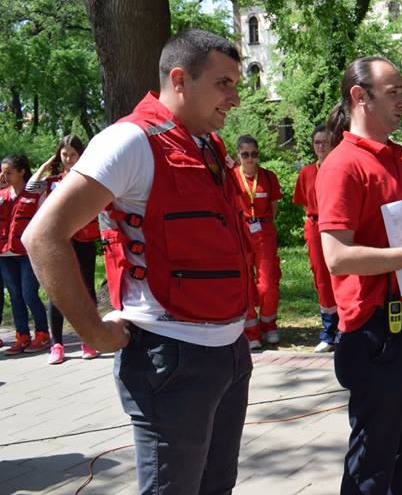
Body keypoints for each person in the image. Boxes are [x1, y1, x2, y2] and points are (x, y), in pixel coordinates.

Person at [24, 29, 253, 493]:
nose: (234, 98)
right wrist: (93, 332)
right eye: (223, 84)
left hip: (229, 352)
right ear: (179, 80)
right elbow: (42, 236)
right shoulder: (130, 141)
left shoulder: (207, 143)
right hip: (171, 358)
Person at [317, 56, 402, 495]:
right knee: (373, 462)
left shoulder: (395, 158)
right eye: (394, 92)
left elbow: (401, 238)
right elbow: (336, 257)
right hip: (377, 331)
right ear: (360, 97)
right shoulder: (343, 165)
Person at [26, 135, 102, 364]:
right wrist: (46, 165)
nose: (68, 159)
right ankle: (56, 344)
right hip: (59, 240)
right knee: (57, 289)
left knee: (87, 288)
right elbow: (30, 188)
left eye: (73, 154)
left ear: (81, 155)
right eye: (64, 154)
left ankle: (90, 340)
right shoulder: (53, 180)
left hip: (83, 239)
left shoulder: (90, 177)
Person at [232, 134, 283, 348]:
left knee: (267, 283)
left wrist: (262, 224)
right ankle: (251, 330)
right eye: (245, 154)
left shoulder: (268, 177)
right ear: (238, 154)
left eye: (254, 154)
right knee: (245, 282)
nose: (250, 159)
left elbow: (273, 207)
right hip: (241, 232)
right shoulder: (231, 177)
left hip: (264, 232)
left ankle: (268, 324)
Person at [293, 124, 339, 353]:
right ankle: (328, 332)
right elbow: (304, 202)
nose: (321, 147)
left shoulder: (340, 168)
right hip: (315, 225)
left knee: (341, 273)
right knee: (321, 277)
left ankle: (345, 328)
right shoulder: (307, 172)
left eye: (325, 142)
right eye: (317, 142)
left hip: (338, 225)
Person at [0, 154, 50, 355]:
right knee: (15, 295)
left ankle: (42, 333)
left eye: (9, 172)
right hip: (5, 254)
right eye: (3, 173)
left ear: (22, 172)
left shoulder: (36, 194)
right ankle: (22, 335)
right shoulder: (2, 195)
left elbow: (44, 221)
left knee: (28, 293)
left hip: (28, 253)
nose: (5, 177)